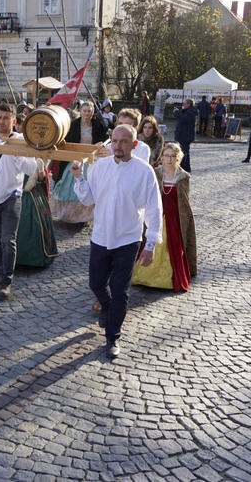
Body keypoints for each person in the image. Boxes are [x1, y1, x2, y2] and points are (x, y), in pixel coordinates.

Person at [71, 124, 162, 358]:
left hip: (128, 239)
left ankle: (113, 336)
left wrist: (150, 244)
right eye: (115, 141)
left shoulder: (144, 172)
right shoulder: (99, 167)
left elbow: (154, 209)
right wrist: (79, 177)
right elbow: (89, 198)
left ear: (133, 144)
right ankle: (107, 306)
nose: (118, 146)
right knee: (96, 284)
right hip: (101, 236)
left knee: (120, 290)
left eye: (123, 142)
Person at [0, 103, 43, 299]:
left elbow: (31, 170)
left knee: (8, 240)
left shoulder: (22, 141)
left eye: (6, 118)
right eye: (0, 118)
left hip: (12, 195)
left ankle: (6, 281)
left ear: (14, 121)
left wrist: (16, 154)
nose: (2, 122)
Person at [132, 142, 196, 292]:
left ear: (178, 158)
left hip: (175, 217)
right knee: (152, 241)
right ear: (162, 157)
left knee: (173, 246)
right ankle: (146, 275)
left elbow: (185, 200)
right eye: (166, 155)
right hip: (157, 214)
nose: (169, 159)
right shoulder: (156, 173)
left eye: (173, 156)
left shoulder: (183, 176)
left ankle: (171, 277)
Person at [50, 100, 106, 224]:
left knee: (88, 187)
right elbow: (67, 141)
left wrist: (99, 145)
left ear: (92, 112)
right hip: (75, 158)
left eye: (89, 111)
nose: (86, 113)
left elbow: (104, 140)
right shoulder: (74, 125)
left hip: (91, 160)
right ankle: (68, 216)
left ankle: (83, 217)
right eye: (84, 111)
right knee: (69, 186)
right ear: (80, 111)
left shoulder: (98, 125)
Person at [173, 98, 197, 173]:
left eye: (185, 103)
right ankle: (186, 168)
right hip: (183, 135)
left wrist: (176, 112)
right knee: (185, 152)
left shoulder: (191, 112)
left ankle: (183, 168)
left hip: (186, 136)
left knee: (183, 153)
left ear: (189, 104)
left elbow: (183, 119)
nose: (183, 104)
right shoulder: (187, 111)